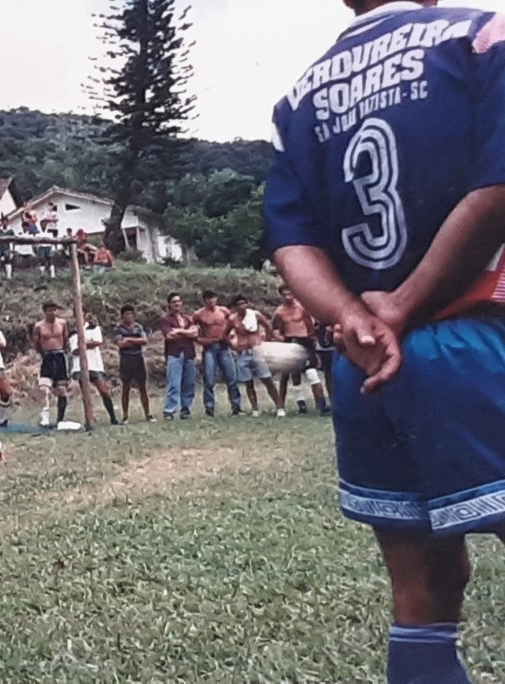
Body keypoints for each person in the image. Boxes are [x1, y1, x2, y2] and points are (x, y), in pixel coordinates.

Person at [264, 3, 505, 681]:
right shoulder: (482, 36)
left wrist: (355, 317)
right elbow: (498, 188)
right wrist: (402, 305)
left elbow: (292, 243)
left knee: (421, 590)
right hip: (480, 333)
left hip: (367, 364)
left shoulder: (299, 98)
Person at [271, 285, 331, 415]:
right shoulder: (279, 312)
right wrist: (281, 339)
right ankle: (283, 406)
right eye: (285, 295)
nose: (288, 297)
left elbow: (310, 326)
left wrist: (312, 342)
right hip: (289, 341)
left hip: (304, 341)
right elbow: (276, 329)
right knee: (287, 375)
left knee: (312, 374)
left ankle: (322, 405)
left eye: (290, 294)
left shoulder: (301, 307)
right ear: (281, 296)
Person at [226, 295, 284, 417]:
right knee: (248, 383)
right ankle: (255, 408)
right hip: (242, 352)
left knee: (267, 380)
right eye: (239, 304)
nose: (242, 306)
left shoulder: (255, 315)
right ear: (235, 307)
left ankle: (279, 407)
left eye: (244, 303)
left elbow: (268, 327)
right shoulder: (233, 319)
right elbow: (225, 334)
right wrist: (233, 346)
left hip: (256, 350)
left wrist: (265, 341)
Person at [194, 290, 242, 417]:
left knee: (231, 378)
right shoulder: (199, 314)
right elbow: (193, 331)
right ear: (204, 300)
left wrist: (232, 337)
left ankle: (236, 406)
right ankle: (209, 408)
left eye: (213, 298)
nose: (211, 301)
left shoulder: (223, 311)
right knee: (209, 379)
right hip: (210, 347)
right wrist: (202, 340)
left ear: (216, 298)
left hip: (224, 346)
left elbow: (233, 323)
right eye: (208, 298)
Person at [69, 315, 120, 425]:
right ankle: (90, 418)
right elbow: (74, 351)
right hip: (80, 367)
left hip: (94, 365)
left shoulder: (93, 328)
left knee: (104, 391)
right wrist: (87, 343)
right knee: (86, 394)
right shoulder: (73, 333)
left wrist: (83, 344)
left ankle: (113, 418)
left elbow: (97, 342)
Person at [160, 293, 198, 420]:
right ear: (169, 304)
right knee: (174, 384)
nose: (177, 303)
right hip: (174, 354)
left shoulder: (188, 318)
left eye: (178, 301)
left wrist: (179, 331)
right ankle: (169, 411)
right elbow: (169, 335)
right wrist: (186, 332)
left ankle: (185, 410)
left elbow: (195, 333)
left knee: (189, 383)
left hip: (189, 353)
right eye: (174, 301)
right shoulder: (166, 319)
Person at [32, 302, 70, 427]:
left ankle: (60, 419)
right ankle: (45, 417)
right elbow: (36, 342)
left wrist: (66, 352)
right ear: (45, 312)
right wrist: (42, 354)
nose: (52, 313)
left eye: (54, 310)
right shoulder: (39, 326)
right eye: (49, 310)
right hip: (47, 356)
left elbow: (66, 339)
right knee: (44, 388)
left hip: (59, 356)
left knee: (61, 390)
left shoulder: (62, 323)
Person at [114, 305, 154, 423]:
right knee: (126, 387)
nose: (129, 316)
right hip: (126, 359)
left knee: (143, 387)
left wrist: (129, 340)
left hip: (138, 358)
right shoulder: (119, 329)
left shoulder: (138, 327)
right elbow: (120, 344)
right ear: (122, 316)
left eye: (131, 314)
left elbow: (145, 340)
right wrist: (136, 341)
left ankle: (148, 414)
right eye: (127, 314)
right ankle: (125, 416)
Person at [0, 216, 14, 280]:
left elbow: (14, 240)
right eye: (3, 222)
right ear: (1, 223)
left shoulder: (10, 231)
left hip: (7, 248)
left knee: (7, 260)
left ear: (8, 222)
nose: (5, 223)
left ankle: (8, 276)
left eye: (6, 222)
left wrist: (13, 249)